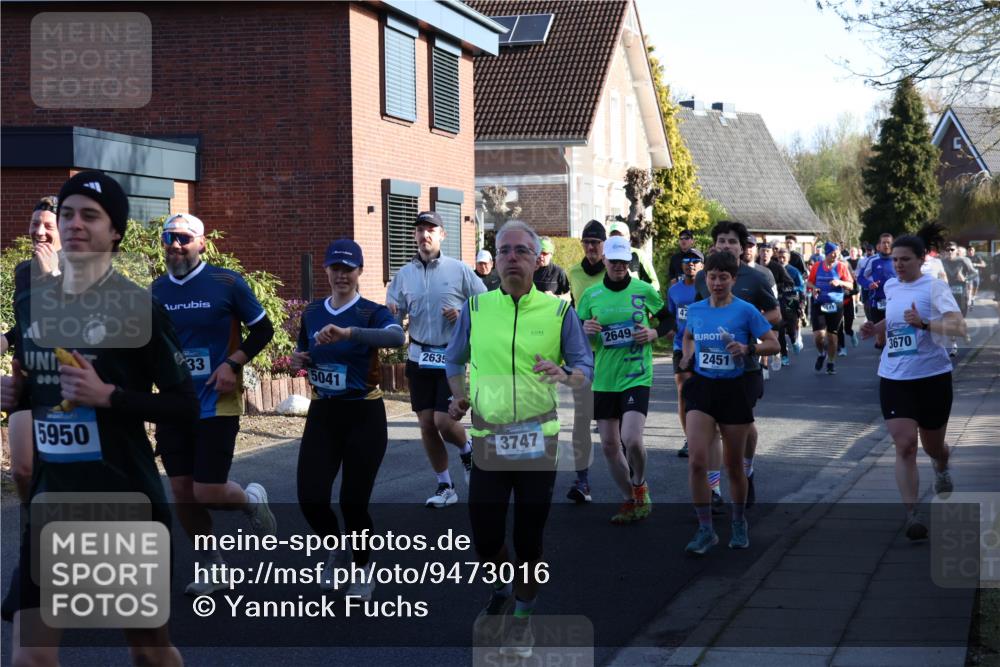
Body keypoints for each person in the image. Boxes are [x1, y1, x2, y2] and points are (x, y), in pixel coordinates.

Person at [2, 171, 198, 665]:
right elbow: (38, 391)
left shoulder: (137, 307)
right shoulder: (30, 303)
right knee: (31, 656)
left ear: (116, 232)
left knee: (149, 649)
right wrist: (17, 394)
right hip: (52, 502)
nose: (73, 225)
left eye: (90, 215)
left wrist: (110, 396)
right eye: (67, 213)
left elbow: (184, 405)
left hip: (123, 500)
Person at [444, 220, 593, 658]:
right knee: (486, 538)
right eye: (504, 250)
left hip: (537, 442)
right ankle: (502, 585)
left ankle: (523, 620)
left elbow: (585, 368)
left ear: (535, 258)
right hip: (489, 440)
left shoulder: (558, 312)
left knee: (529, 540)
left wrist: (566, 374)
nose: (512, 257)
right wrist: (460, 398)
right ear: (495, 257)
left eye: (521, 250)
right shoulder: (477, 309)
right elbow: (454, 361)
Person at [151, 213, 277, 595]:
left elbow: (264, 329)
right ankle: (212, 566)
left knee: (207, 490)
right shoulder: (154, 291)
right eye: (169, 237)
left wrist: (231, 363)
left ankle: (251, 501)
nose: (175, 244)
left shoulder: (227, 282)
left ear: (202, 243)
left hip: (216, 400)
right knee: (181, 493)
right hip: (174, 403)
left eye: (184, 238)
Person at [290, 240, 405, 600]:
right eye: (335, 268)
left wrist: (349, 333)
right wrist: (299, 361)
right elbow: (303, 350)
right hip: (324, 413)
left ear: (359, 272)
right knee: (311, 499)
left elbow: (396, 335)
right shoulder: (312, 312)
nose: (341, 275)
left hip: (364, 414)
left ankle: (362, 567)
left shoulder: (370, 312)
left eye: (348, 269)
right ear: (326, 270)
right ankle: (334, 547)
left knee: (353, 503)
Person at [859, 231, 964, 541]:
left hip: (932, 377)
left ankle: (941, 467)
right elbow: (894, 323)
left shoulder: (934, 287)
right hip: (894, 377)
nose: (899, 265)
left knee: (932, 446)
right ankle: (912, 514)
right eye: (895, 260)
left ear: (921, 259)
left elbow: (959, 326)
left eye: (905, 259)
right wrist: (874, 328)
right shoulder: (891, 286)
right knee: (904, 445)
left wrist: (924, 324)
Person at [680, 250, 779, 555]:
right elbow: (688, 336)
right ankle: (705, 529)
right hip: (703, 388)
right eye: (712, 276)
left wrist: (747, 348)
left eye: (724, 277)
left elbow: (773, 343)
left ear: (734, 279)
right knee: (697, 460)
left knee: (733, 466)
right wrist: (687, 354)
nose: (717, 282)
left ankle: (738, 521)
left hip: (734, 390)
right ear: (705, 278)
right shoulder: (695, 309)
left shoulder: (746, 310)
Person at [386, 211, 486, 507]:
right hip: (418, 356)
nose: (424, 235)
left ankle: (467, 450)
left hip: (450, 356)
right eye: (420, 230)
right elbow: (394, 312)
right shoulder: (404, 275)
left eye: (431, 230)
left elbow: (486, 303)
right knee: (427, 425)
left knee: (444, 421)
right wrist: (392, 311)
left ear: (442, 234)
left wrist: (464, 314)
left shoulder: (459, 270)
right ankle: (445, 486)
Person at [578, 235, 669, 523]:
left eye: (623, 261)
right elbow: (575, 330)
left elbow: (669, 319)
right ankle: (630, 499)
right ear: (604, 260)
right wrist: (585, 328)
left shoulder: (643, 290)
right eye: (613, 260)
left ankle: (640, 486)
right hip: (604, 377)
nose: (618, 265)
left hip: (636, 375)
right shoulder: (591, 295)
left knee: (630, 438)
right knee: (607, 445)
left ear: (630, 261)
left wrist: (654, 333)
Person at [694, 221, 781, 509]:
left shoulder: (756, 278)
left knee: (745, 427)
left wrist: (747, 325)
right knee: (714, 430)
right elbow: (698, 318)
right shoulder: (702, 278)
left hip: (747, 368)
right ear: (714, 245)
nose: (727, 246)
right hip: (710, 367)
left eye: (732, 241)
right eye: (722, 241)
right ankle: (715, 487)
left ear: (742, 248)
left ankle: (747, 468)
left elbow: (776, 313)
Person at [2, 196, 63, 501]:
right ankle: (33, 522)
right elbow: (25, 322)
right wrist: (6, 339)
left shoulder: (80, 270)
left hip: (63, 380)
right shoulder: (23, 272)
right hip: (26, 374)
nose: (39, 231)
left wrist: (54, 276)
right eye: (35, 223)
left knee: (63, 469)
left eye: (48, 225)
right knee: (22, 471)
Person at [564, 220, 608, 503]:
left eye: (596, 242)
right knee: (582, 419)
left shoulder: (616, 270)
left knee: (613, 422)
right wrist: (581, 327)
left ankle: (633, 479)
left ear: (604, 245)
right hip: (584, 356)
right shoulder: (573, 272)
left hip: (613, 356)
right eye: (587, 242)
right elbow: (570, 313)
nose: (591, 248)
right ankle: (582, 482)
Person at [666, 249, 704, 458]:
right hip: (681, 345)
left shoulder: (707, 288)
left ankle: (709, 433)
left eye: (696, 261)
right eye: (687, 260)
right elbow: (670, 316)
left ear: (702, 265)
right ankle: (690, 438)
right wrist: (672, 332)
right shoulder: (674, 290)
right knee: (683, 391)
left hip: (705, 345)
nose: (690, 264)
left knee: (704, 391)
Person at [807, 242, 853, 375]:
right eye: (834, 252)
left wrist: (840, 282)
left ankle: (831, 362)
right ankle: (822, 354)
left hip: (835, 305)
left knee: (832, 337)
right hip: (819, 304)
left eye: (837, 252)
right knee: (819, 337)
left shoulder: (841, 266)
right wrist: (814, 288)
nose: (836, 254)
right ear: (827, 253)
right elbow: (810, 282)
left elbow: (850, 285)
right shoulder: (817, 266)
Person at [858, 233, 896, 348]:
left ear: (892, 244)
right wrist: (869, 284)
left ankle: (889, 360)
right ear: (879, 245)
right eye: (883, 242)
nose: (886, 245)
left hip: (894, 301)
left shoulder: (897, 259)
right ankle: (882, 348)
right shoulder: (873, 260)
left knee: (894, 334)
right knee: (880, 339)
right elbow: (860, 277)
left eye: (888, 242)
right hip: (877, 302)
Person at [941, 242, 976, 356]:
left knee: (960, 320)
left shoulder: (963, 260)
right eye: (947, 250)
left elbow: (974, 274)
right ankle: (954, 346)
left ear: (956, 251)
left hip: (962, 295)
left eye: (952, 250)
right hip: (948, 295)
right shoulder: (942, 262)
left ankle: (964, 332)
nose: (949, 252)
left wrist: (965, 278)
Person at [608, 221, 660, 292]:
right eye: (613, 236)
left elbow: (655, 283)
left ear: (628, 237)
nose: (617, 239)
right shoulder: (605, 256)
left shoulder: (638, 254)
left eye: (620, 236)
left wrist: (640, 292)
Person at [775, 247, 805, 364]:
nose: (781, 260)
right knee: (780, 329)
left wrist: (790, 288)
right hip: (777, 302)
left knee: (791, 329)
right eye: (780, 257)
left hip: (790, 301)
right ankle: (784, 355)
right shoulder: (773, 269)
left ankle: (793, 341)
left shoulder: (793, 271)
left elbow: (801, 286)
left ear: (788, 258)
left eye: (784, 257)